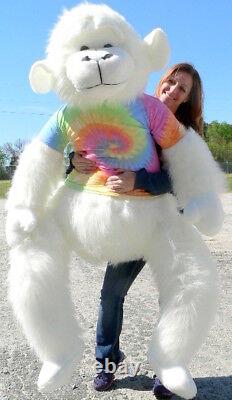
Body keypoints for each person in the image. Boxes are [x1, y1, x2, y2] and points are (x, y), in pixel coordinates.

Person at [68, 63, 204, 397]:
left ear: (188, 99)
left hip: (169, 225)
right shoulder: (130, 112)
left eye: (182, 88)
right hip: (129, 224)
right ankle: (107, 362)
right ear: (161, 82)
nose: (173, 90)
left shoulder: (186, 134)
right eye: (171, 82)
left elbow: (181, 179)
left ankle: (168, 369)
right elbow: (92, 144)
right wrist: (73, 160)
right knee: (111, 294)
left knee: (173, 297)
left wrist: (138, 180)